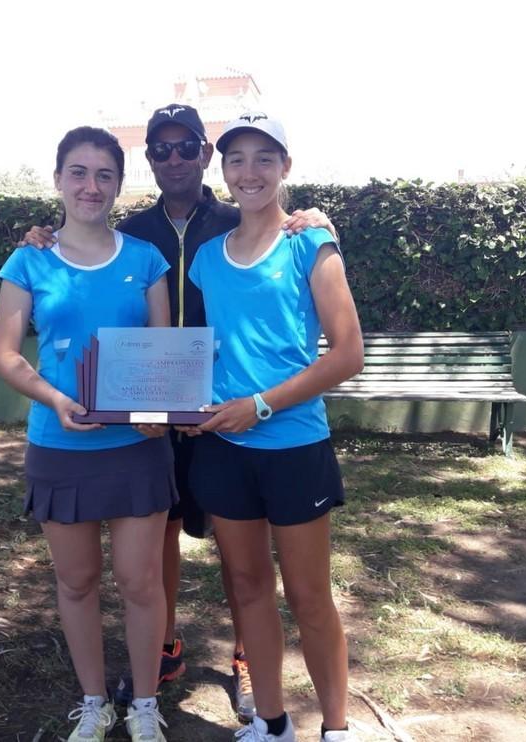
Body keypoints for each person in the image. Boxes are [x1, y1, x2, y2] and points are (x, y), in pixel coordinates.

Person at [20, 104, 338, 722]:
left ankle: (248, 657)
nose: (173, 158)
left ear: (201, 154)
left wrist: (312, 220)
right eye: (160, 149)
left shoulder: (239, 219)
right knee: (159, 533)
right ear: (149, 161)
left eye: (185, 146)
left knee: (235, 550)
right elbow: (79, 253)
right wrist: (42, 237)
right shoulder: (133, 232)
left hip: (228, 411)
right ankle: (165, 649)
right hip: (152, 409)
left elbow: (286, 256)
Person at [184, 113, 365, 742]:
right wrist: (188, 404)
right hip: (224, 449)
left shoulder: (310, 244)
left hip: (294, 448)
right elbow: (209, 349)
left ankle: (336, 729)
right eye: (237, 159)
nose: (249, 171)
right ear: (223, 171)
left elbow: (347, 354)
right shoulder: (207, 258)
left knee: (310, 598)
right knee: (249, 587)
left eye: (265, 158)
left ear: (285, 167)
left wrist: (259, 405)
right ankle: (272, 722)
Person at [0, 126, 174, 742]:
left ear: (119, 186)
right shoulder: (28, 260)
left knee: (140, 582)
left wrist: (161, 409)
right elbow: (8, 357)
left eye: (103, 175)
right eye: (78, 172)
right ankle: (93, 702)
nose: (90, 185)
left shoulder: (147, 261)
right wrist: (56, 399)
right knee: (76, 581)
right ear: (58, 180)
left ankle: (145, 704)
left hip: (135, 449)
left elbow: (163, 355)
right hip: (60, 445)